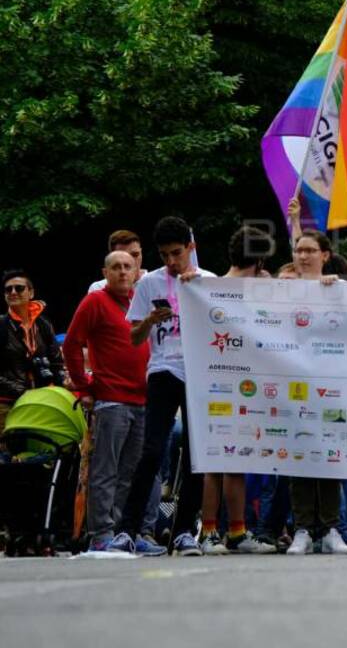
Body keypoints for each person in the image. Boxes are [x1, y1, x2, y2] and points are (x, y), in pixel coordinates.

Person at [108, 217, 215, 556]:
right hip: (163, 369)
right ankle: (126, 530)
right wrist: (151, 321)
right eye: (165, 255)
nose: (171, 261)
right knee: (152, 450)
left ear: (191, 248)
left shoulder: (209, 282)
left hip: (200, 373)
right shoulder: (149, 283)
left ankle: (184, 531)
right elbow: (135, 337)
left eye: (177, 253)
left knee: (197, 456)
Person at [184, 227, 277, 555]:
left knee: (235, 459)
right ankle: (208, 532)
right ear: (261, 258)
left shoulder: (206, 286)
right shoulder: (207, 288)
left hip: (239, 385)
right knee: (216, 460)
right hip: (222, 384)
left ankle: (236, 532)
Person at [63, 251, 150, 551]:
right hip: (111, 400)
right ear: (105, 272)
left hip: (142, 401)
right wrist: (82, 386)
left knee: (130, 473)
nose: (123, 272)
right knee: (105, 471)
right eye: (116, 267)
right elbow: (72, 344)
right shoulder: (95, 301)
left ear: (137, 270)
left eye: (128, 267)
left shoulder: (141, 303)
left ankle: (122, 535)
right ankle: (101, 536)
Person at [286, 228, 347, 555]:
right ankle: (302, 529)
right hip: (292, 386)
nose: (303, 255)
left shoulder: (340, 289)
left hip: (330, 385)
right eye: (299, 250)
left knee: (328, 456)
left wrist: (335, 292)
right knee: (299, 457)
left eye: (310, 250)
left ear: (325, 255)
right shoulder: (281, 290)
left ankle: (329, 528)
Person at [1, 269, 65, 441]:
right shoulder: (1, 326)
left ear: (31, 293)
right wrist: (22, 392)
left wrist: (58, 392)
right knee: (8, 456)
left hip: (41, 402)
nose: (13, 292)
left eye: (19, 288)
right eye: (8, 289)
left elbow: (57, 362)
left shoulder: (44, 325)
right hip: (6, 404)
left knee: (39, 455)